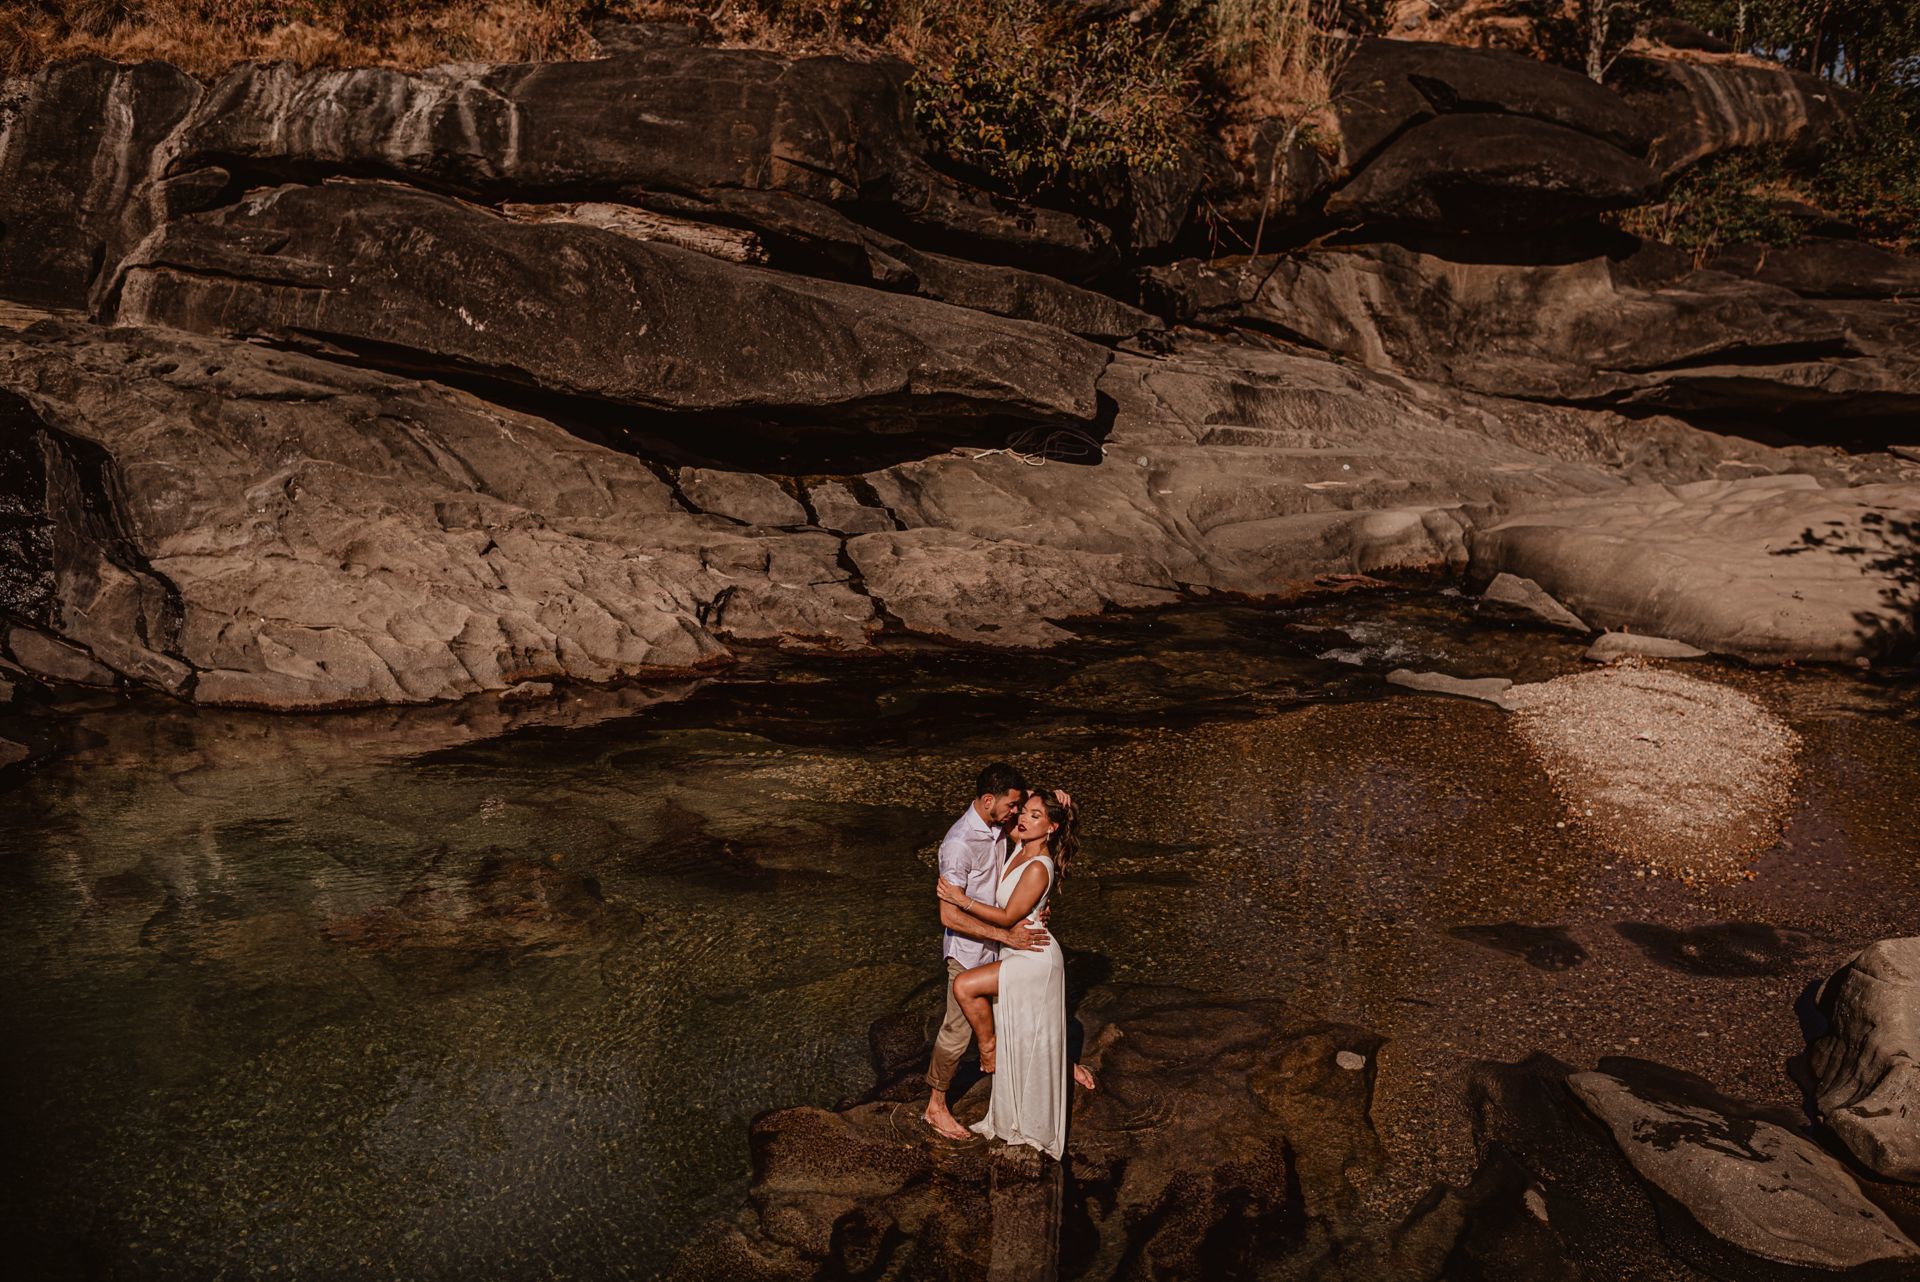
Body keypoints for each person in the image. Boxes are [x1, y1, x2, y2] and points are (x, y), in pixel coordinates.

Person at [940, 789, 1077, 1159]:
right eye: (1025, 813)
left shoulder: (1037, 865)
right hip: (1016, 949)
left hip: (1034, 957)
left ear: (1051, 828)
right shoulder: (1020, 846)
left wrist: (960, 899)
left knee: (965, 985)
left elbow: (1007, 918)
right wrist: (1052, 798)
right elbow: (1021, 804)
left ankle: (989, 1049)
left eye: (1035, 816)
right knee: (1025, 1033)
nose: (1024, 819)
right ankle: (1011, 1108)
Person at [921, 762, 1047, 1141]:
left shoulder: (997, 825)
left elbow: (1040, 816)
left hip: (998, 944)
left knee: (1020, 1013)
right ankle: (935, 1106)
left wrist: (1060, 799)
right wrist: (1006, 935)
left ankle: (1056, 1066)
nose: (1016, 814)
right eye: (1012, 806)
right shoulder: (959, 844)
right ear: (989, 800)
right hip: (970, 952)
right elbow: (949, 914)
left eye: (1018, 808)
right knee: (957, 1031)